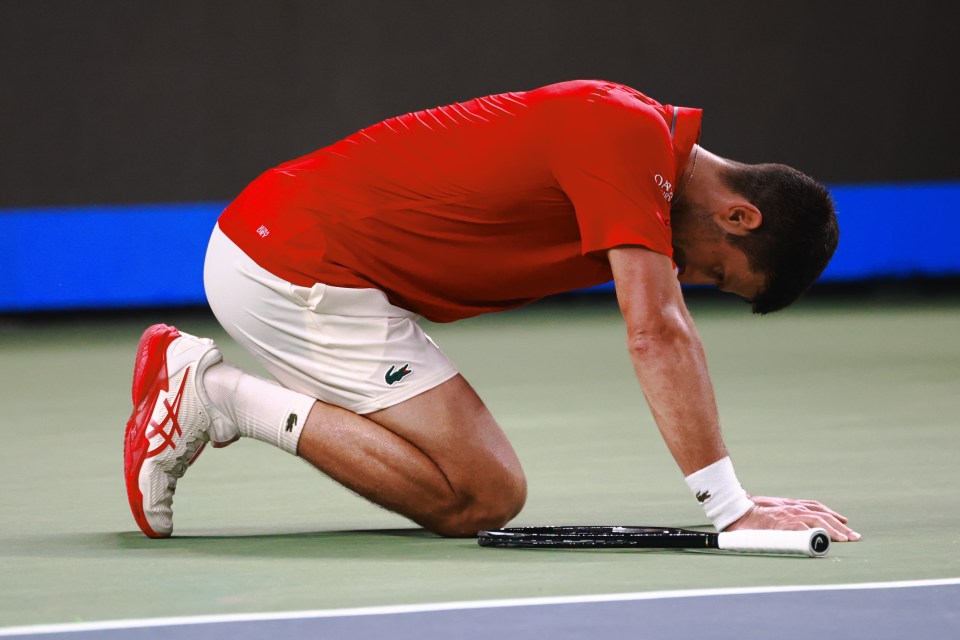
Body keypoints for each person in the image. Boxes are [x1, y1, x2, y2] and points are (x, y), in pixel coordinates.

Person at [123, 79, 859, 542]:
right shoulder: (626, 136)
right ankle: (212, 392)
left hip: (316, 261)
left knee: (483, 491)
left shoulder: (638, 149)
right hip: (291, 261)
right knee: (481, 494)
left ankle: (210, 391)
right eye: (716, 274)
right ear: (739, 218)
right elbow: (656, 332)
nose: (688, 278)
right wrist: (731, 507)